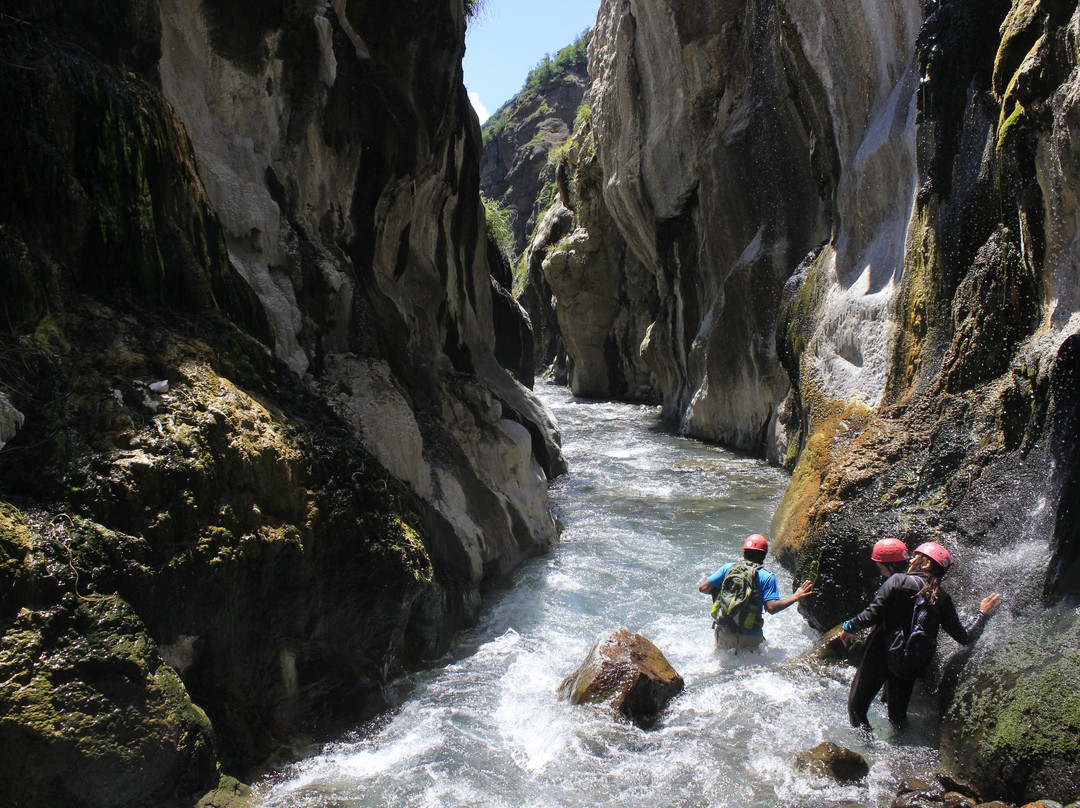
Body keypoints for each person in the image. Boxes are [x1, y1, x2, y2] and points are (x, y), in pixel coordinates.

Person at [838, 541, 1002, 728]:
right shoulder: (942, 598)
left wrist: (849, 627)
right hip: (908, 663)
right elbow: (965, 637)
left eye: (915, 557)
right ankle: (898, 754)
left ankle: (865, 750)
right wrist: (983, 615)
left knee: (857, 710)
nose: (910, 560)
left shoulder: (898, 581)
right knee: (897, 718)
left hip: (880, 655)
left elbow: (871, 614)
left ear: (925, 564)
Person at [699, 533, 814, 652]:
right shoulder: (767, 576)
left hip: (725, 632)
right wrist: (795, 597)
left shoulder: (728, 568)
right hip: (750, 636)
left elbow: (703, 588)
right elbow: (772, 608)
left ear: (744, 553)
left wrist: (721, 594)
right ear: (764, 556)